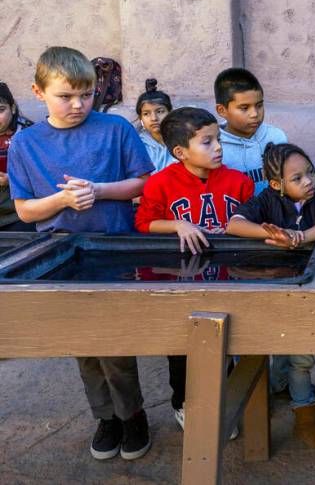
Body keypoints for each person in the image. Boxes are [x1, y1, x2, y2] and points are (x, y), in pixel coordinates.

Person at [7, 47, 155, 460]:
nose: (78, 105)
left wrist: (100, 191)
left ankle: (132, 414)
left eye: (87, 95)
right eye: (66, 96)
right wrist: (62, 201)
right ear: (39, 92)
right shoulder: (26, 143)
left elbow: (141, 182)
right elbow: (24, 209)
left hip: (114, 247)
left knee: (115, 343)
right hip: (59, 253)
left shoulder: (115, 129)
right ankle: (104, 416)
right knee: (81, 343)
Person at [134, 106, 254, 434]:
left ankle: (222, 405)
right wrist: (176, 224)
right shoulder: (160, 184)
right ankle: (184, 404)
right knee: (182, 350)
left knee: (226, 342)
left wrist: (235, 227)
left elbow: (250, 220)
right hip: (178, 279)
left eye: (218, 139)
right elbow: (143, 223)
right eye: (206, 142)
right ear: (180, 152)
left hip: (227, 278)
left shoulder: (238, 182)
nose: (217, 147)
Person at [227, 143, 315, 449]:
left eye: (310, 172)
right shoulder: (266, 200)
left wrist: (301, 236)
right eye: (297, 178)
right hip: (291, 296)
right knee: (300, 356)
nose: (308, 181)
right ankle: (305, 415)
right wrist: (272, 234)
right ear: (276, 184)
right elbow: (234, 225)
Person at [214, 67, 288, 194]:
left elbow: (286, 180)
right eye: (244, 108)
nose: (254, 114)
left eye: (259, 106)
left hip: (274, 212)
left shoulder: (276, 137)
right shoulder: (215, 147)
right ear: (222, 110)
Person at [0, 81, 34, 230]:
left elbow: (46, 175)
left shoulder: (29, 134)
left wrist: (13, 179)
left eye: (0, 110)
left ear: (12, 108)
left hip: (18, 214)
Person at [135, 78, 176, 174]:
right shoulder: (138, 145)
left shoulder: (183, 140)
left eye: (160, 111)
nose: (154, 118)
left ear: (170, 113)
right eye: (146, 114)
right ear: (140, 118)